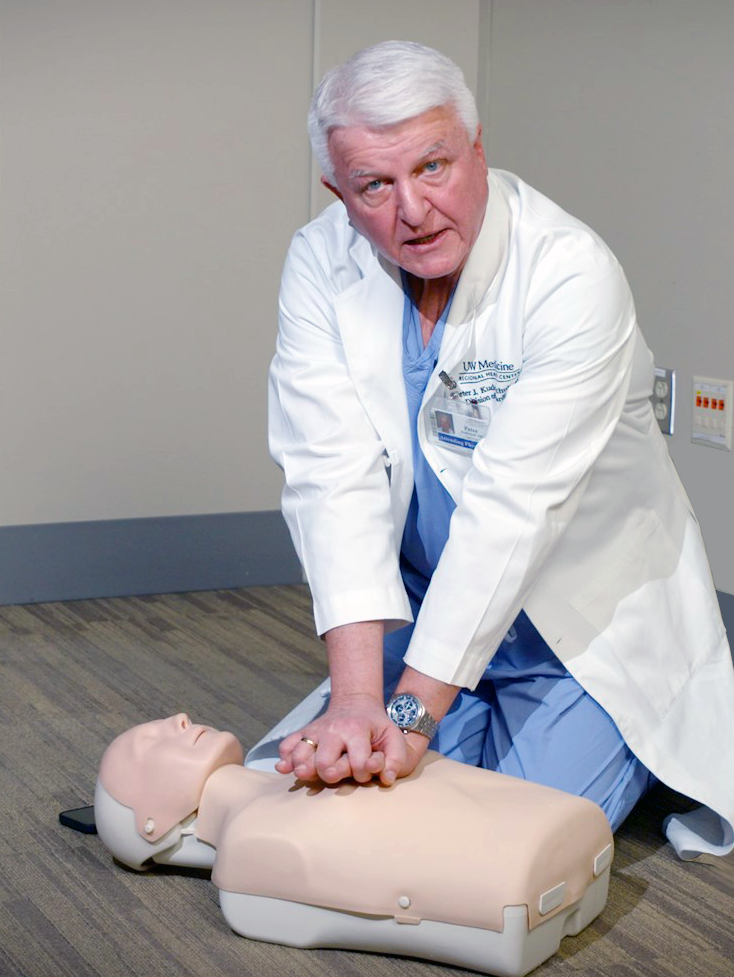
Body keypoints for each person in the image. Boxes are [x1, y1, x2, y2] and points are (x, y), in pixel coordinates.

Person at [268, 40, 734, 856]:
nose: (412, 210)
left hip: (579, 629)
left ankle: (631, 744)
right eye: (376, 184)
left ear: (479, 151)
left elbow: (512, 515)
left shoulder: (567, 274)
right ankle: (450, 704)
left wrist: (404, 716)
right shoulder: (319, 263)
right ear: (338, 193)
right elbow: (327, 474)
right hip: (431, 607)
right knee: (337, 807)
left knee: (489, 847)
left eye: (434, 167)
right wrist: (355, 699)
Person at [95, 714, 613, 976]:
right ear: (150, 826)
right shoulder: (253, 841)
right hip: (525, 869)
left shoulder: (288, 775)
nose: (180, 720)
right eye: (151, 741)